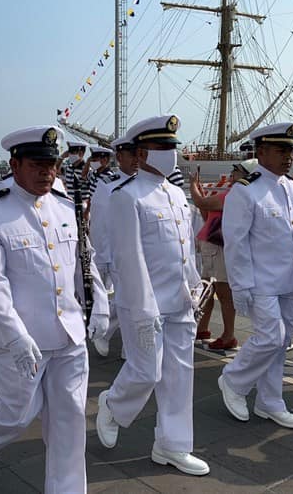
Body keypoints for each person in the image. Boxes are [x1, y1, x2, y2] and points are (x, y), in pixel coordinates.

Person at [0, 125, 110, 493]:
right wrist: (15, 336)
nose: (48, 172)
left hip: (70, 332)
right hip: (24, 337)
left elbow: (83, 260)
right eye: (38, 164)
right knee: (17, 414)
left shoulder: (64, 204)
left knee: (71, 417)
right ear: (14, 164)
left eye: (52, 164)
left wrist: (102, 305)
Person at [94, 116, 210, 477]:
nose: (170, 155)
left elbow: (184, 248)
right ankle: (112, 404)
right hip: (145, 304)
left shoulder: (176, 194)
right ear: (142, 152)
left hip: (179, 301)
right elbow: (129, 259)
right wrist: (145, 310)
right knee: (146, 371)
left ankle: (172, 446)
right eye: (162, 149)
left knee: (179, 377)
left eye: (172, 148)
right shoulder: (125, 196)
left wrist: (195, 284)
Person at [218, 122, 293, 430]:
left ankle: (270, 401)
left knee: (282, 340)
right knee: (270, 337)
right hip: (260, 281)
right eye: (281, 150)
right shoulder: (245, 190)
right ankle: (233, 380)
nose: (289, 156)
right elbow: (235, 242)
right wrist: (240, 286)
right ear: (261, 152)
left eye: (291, 150)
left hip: (290, 279)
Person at [190, 158, 258, 350]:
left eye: (235, 171)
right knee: (208, 291)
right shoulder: (234, 195)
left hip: (219, 247)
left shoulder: (231, 196)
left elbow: (199, 201)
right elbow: (207, 213)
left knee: (223, 291)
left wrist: (194, 186)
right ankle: (202, 329)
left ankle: (228, 335)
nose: (231, 175)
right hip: (213, 245)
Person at [88, 136, 139, 357]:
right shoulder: (107, 186)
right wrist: (102, 258)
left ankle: (129, 348)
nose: (137, 160)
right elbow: (100, 224)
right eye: (131, 155)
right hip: (117, 253)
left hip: (141, 253)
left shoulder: (146, 184)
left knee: (134, 301)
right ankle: (107, 333)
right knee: (127, 300)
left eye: (140, 154)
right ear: (119, 157)